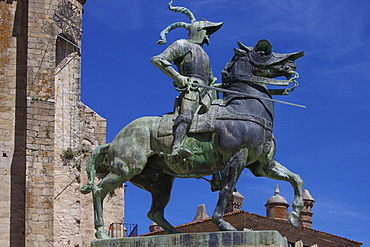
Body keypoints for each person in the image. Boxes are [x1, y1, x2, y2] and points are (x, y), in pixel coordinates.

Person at [151, 1, 222, 161]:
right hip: (192, 89)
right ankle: (176, 147)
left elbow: (211, 80)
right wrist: (178, 77)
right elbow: (158, 59)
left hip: (208, 92)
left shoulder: (205, 55)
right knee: (187, 115)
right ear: (199, 31)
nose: (208, 36)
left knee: (218, 124)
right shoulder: (183, 45)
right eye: (207, 31)